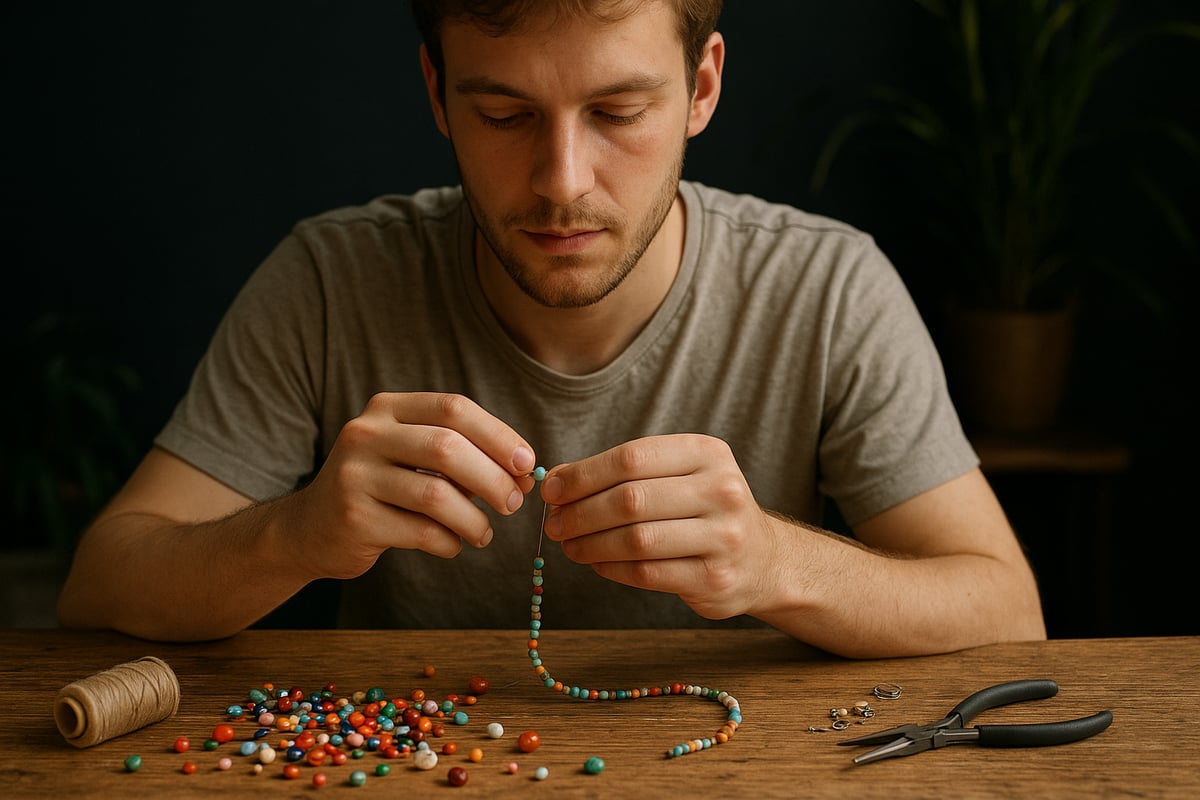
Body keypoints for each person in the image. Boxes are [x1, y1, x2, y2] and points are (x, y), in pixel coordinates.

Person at [57, 0, 1046, 656]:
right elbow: (103, 583)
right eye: (504, 114)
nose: (563, 181)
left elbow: (1008, 613)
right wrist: (297, 531)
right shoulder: (331, 278)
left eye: (618, 110)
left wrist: (772, 561)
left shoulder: (828, 285)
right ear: (438, 92)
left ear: (702, 86)